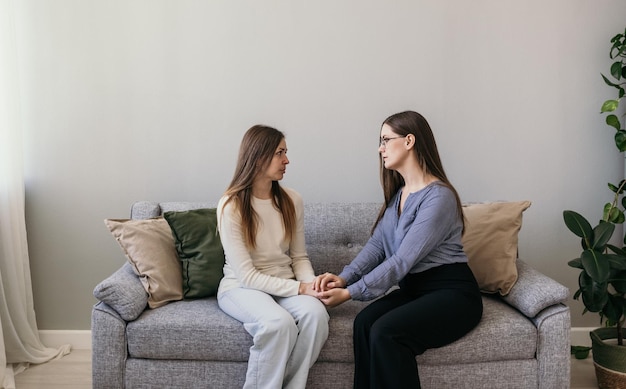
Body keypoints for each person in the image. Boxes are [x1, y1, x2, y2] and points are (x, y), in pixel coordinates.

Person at [313, 111, 483, 389]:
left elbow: (402, 260)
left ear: (409, 141)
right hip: (415, 291)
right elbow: (377, 246)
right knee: (365, 323)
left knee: (386, 332)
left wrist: (350, 293)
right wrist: (343, 278)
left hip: (453, 294)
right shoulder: (398, 197)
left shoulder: (438, 197)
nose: (380, 148)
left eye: (385, 139)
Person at [216, 124, 329, 389]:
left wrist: (312, 286)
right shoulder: (230, 205)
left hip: (283, 284)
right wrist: (300, 288)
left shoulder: (292, 200)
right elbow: (247, 275)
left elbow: (299, 257)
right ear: (258, 157)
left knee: (317, 315)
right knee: (279, 324)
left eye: (285, 152)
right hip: (241, 287)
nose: (286, 160)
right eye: (280, 153)